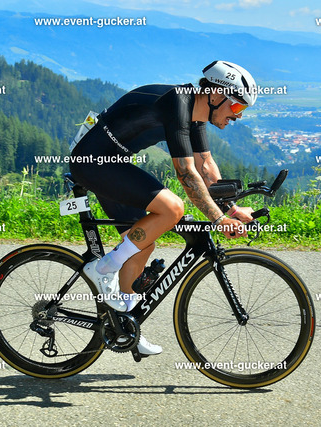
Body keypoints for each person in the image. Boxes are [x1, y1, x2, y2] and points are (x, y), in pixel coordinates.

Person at [69, 60, 258, 356]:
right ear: (216, 94)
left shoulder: (196, 116)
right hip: (93, 162)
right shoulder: (177, 104)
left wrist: (232, 210)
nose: (238, 115)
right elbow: (186, 174)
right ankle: (102, 268)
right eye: (237, 106)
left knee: (141, 244)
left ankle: (125, 325)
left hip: (112, 163)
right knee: (172, 208)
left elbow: (205, 167)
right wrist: (219, 219)